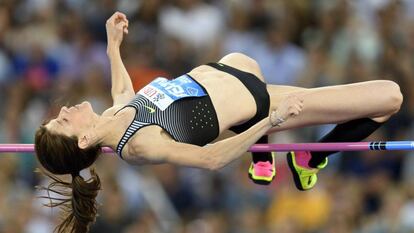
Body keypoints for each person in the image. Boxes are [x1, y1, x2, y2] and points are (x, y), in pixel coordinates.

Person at [34, 12, 403, 233]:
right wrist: (270, 120)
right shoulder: (136, 145)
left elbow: (122, 92)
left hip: (233, 69)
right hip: (263, 103)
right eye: (61, 123)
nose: (62, 112)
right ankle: (311, 156)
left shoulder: (114, 118)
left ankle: (267, 150)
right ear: (82, 141)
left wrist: (113, 45)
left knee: (366, 99)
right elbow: (212, 159)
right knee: (389, 98)